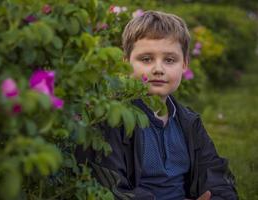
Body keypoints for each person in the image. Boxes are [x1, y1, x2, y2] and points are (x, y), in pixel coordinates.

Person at [76, 11, 238, 200]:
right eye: (146, 59)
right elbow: (112, 189)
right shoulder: (112, 120)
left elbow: (217, 176)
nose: (158, 69)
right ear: (126, 63)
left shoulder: (189, 122)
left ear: (184, 64)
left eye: (170, 60)